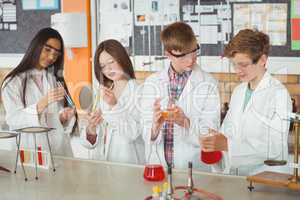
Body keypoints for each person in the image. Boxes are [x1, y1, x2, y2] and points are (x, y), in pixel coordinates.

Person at [200, 29, 292, 176]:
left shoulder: (278, 94)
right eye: (234, 64)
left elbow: (275, 148)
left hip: (266, 179)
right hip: (239, 178)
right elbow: (227, 133)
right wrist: (215, 141)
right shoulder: (239, 91)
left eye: (243, 65)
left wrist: (227, 145)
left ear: (262, 60)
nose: (238, 71)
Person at [140, 22, 220, 170]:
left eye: (194, 51)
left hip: (193, 168)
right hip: (159, 166)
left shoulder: (209, 84)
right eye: (183, 55)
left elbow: (211, 135)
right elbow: (145, 131)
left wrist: (185, 122)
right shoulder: (152, 82)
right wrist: (155, 127)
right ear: (168, 54)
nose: (190, 59)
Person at [1, 27, 78, 156]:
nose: (51, 57)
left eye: (56, 53)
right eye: (47, 50)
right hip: (30, 150)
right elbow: (13, 119)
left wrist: (63, 117)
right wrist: (41, 105)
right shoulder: (12, 82)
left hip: (58, 150)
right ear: (36, 46)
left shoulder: (54, 78)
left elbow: (53, 119)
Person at [80, 39, 144, 164]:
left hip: (130, 162)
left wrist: (114, 105)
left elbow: (133, 133)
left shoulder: (139, 91)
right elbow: (93, 140)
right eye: (103, 66)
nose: (108, 69)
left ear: (122, 59)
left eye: (111, 62)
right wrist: (91, 128)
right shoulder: (104, 92)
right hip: (105, 162)